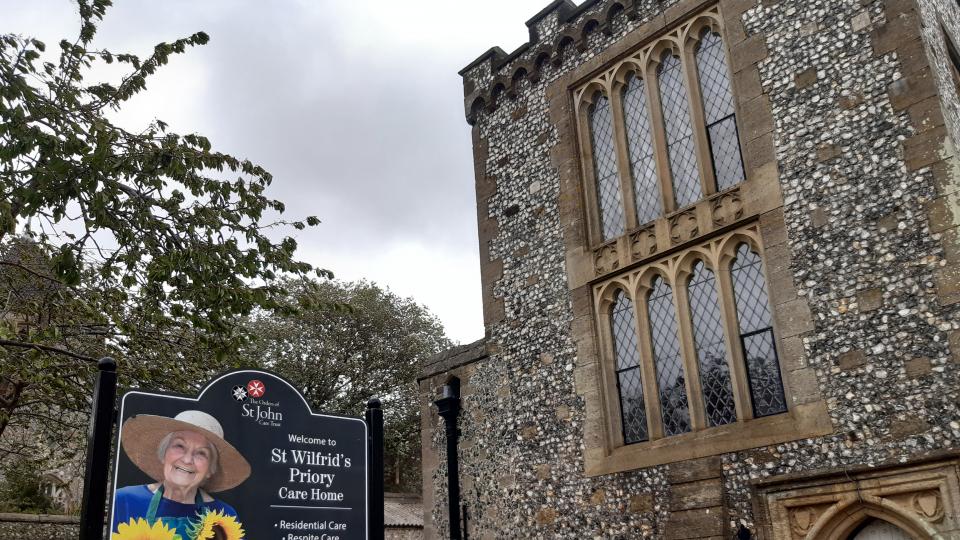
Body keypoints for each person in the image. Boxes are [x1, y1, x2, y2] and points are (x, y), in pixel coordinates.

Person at [111, 410, 251, 539]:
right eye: (179, 446)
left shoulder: (224, 516)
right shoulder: (123, 500)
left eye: (201, 453)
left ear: (210, 469)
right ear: (163, 454)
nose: (187, 459)